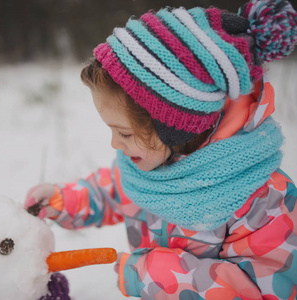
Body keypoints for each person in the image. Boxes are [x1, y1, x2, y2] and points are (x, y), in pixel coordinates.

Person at [25, 0, 297, 298]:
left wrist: (151, 277)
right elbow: (114, 188)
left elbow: (265, 289)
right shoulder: (147, 163)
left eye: (124, 132)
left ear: (175, 125)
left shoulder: (264, 201)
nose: (115, 144)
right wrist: (64, 201)